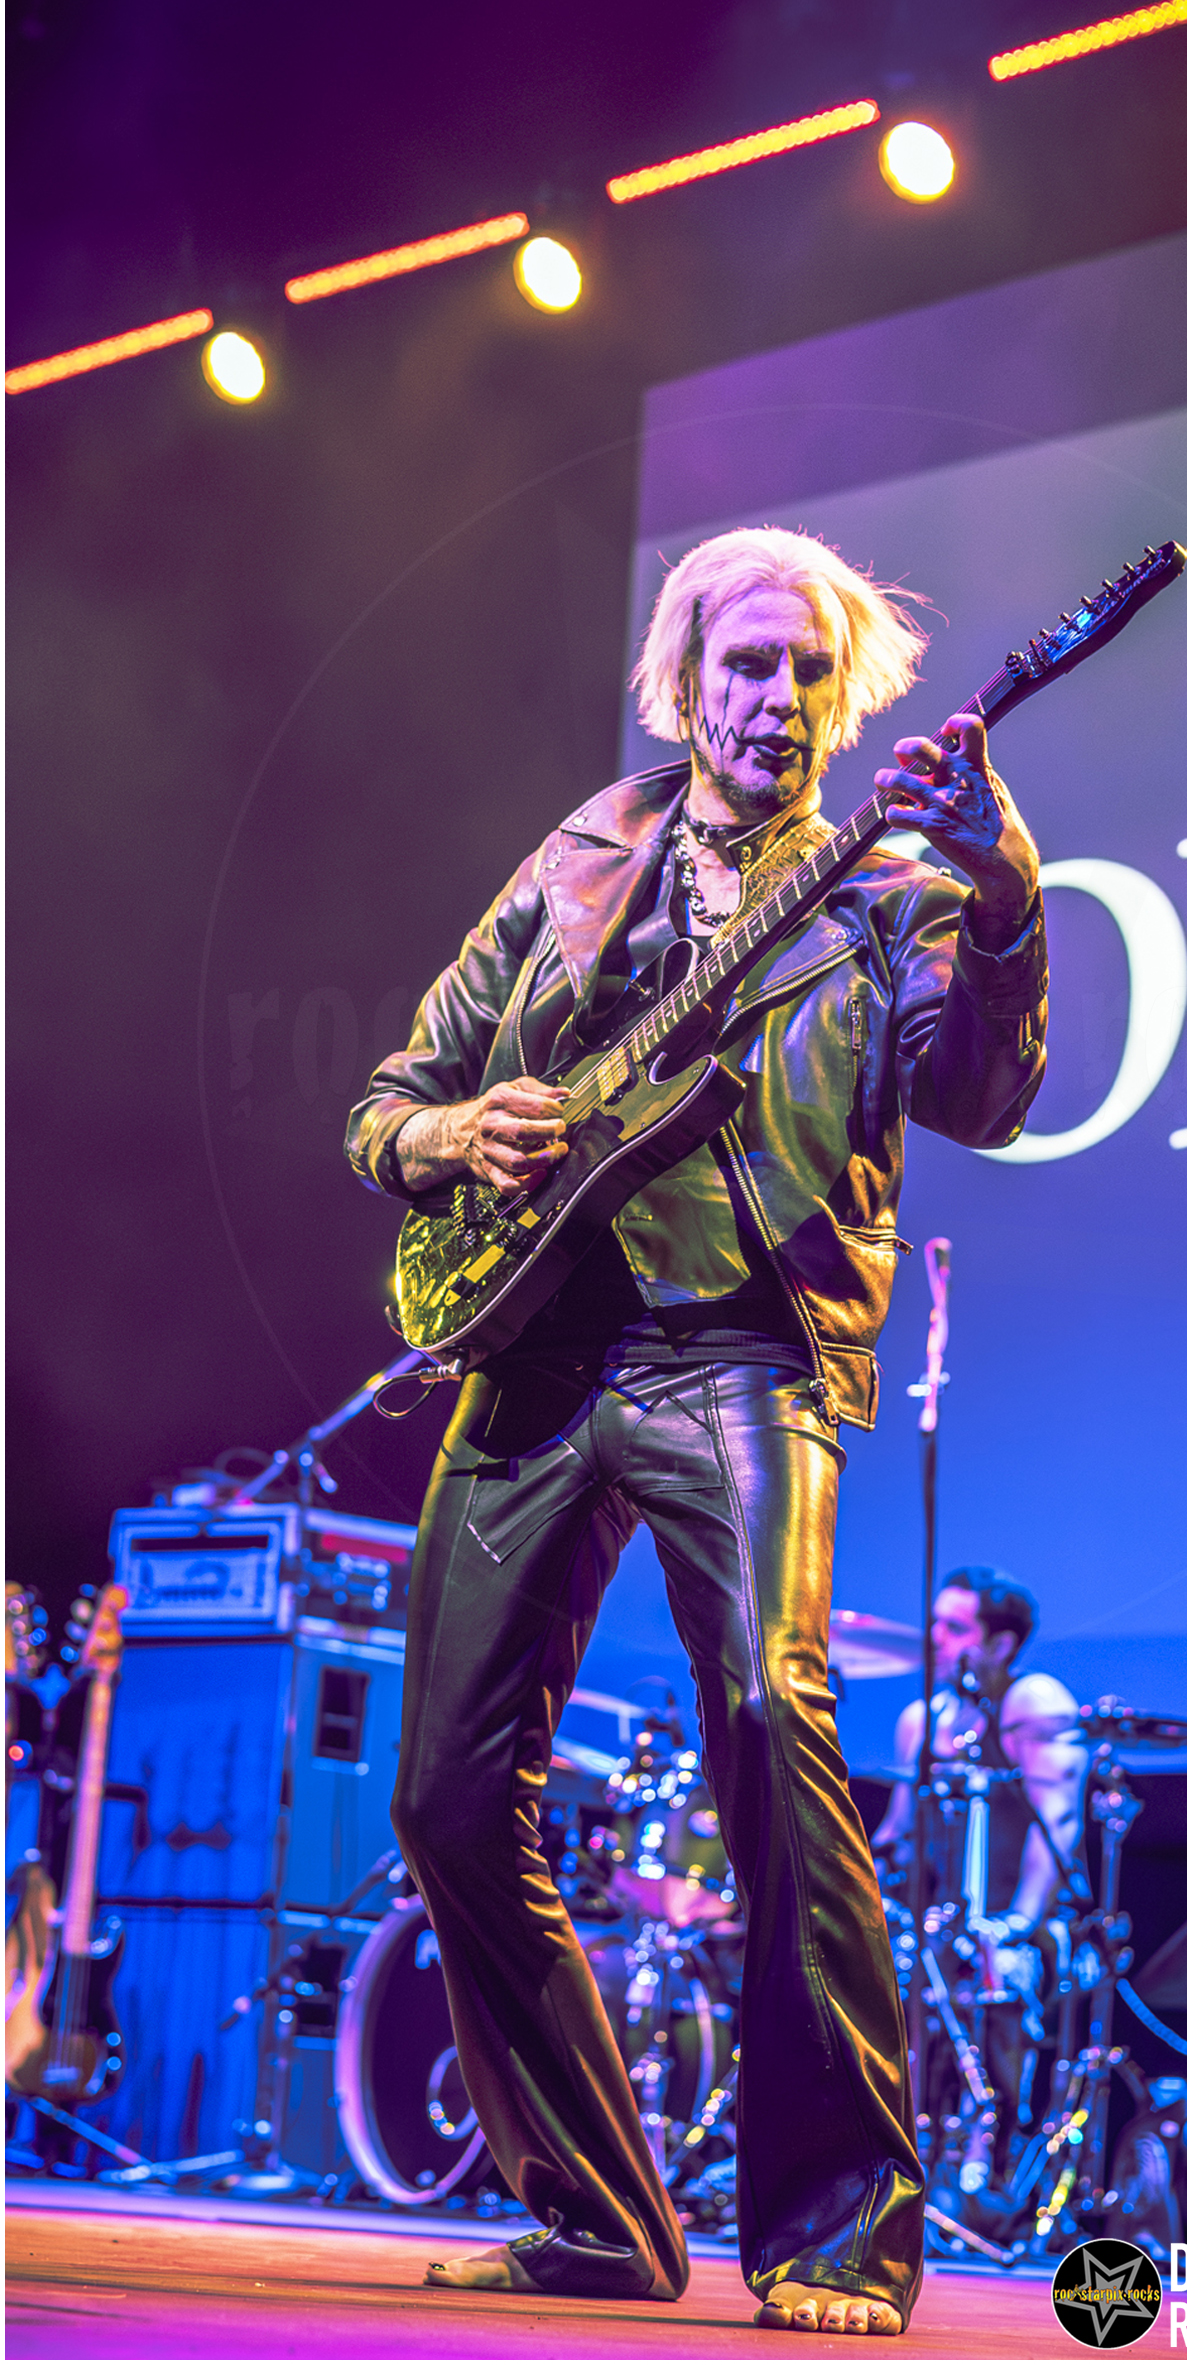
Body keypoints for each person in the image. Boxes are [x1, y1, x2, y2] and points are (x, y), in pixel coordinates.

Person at [345, 526, 1047, 2336]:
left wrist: (1008, 901)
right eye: (747, 661)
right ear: (684, 678)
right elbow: (390, 1102)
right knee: (443, 1795)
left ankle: (837, 2227)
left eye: (810, 668)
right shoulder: (580, 852)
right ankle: (594, 2212)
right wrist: (450, 1135)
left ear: (843, 694)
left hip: (742, 1349)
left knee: (768, 1711)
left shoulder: (890, 888)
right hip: (534, 1349)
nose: (777, 696)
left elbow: (982, 1095)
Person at [871, 1569, 1086, 2204]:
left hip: (1027, 1927)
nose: (935, 1637)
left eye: (955, 1627)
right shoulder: (923, 1719)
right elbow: (900, 1832)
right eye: (935, 1622)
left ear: (1001, 1643)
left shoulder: (1033, 1701)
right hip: (943, 1923)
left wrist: (1017, 1922)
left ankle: (990, 2172)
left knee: (1003, 1974)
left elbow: (1059, 1820)